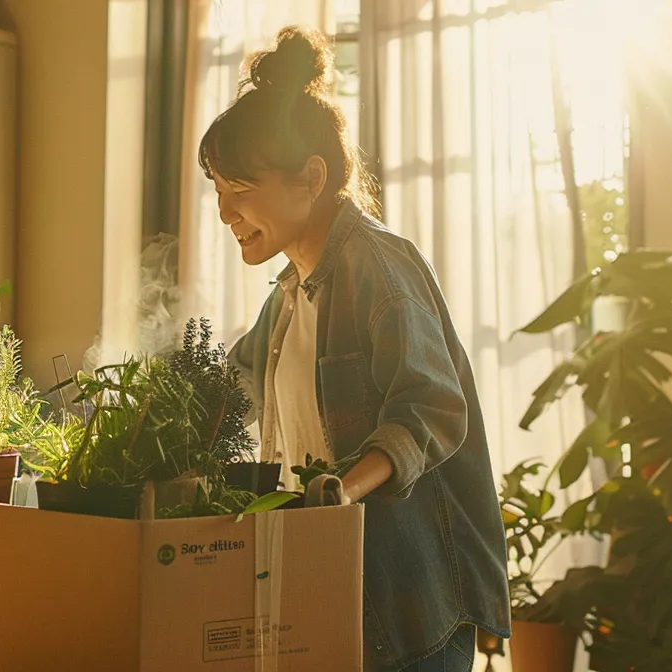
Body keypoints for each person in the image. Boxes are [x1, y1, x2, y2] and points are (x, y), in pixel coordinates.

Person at [205, 27, 511, 671]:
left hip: (407, 602)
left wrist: (341, 491)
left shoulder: (380, 268)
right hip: (330, 587)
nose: (225, 213)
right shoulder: (289, 294)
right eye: (217, 192)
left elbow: (431, 408)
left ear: (310, 177)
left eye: (241, 189)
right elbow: (223, 392)